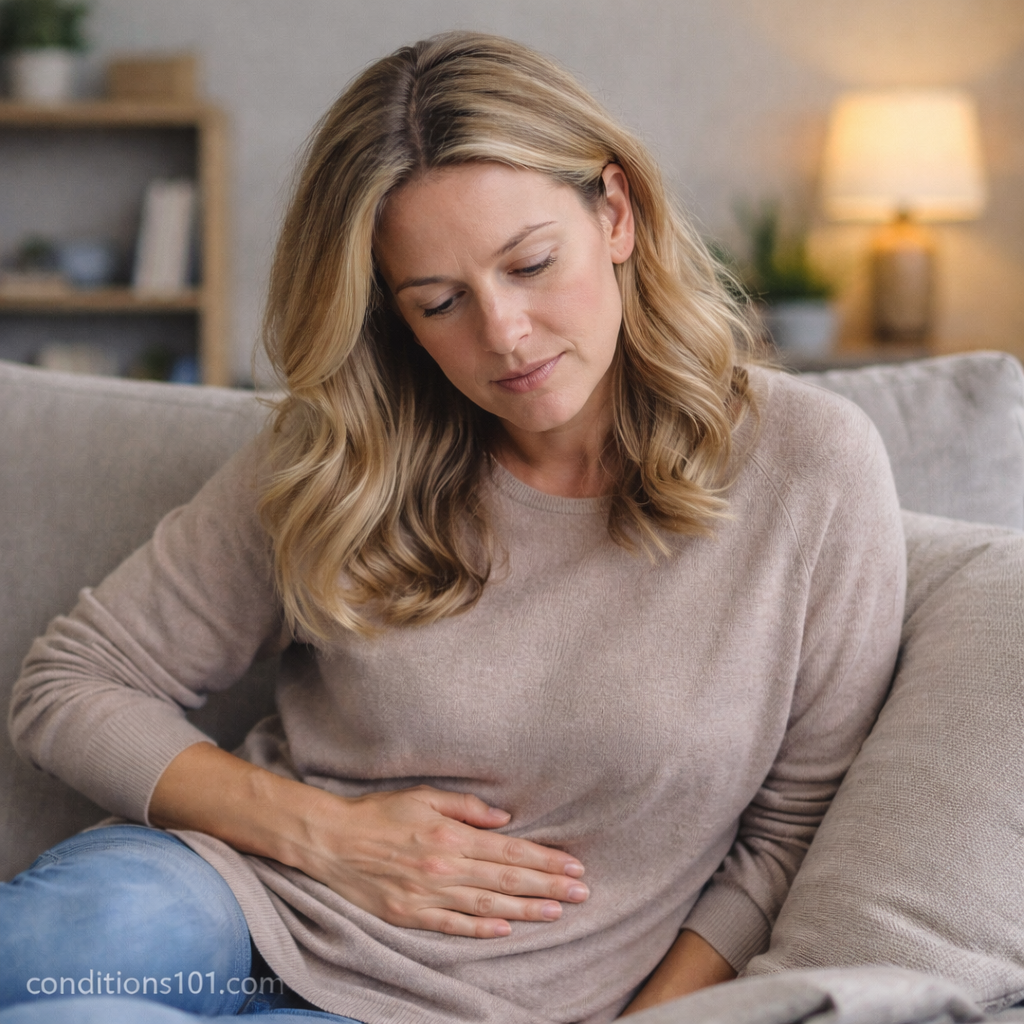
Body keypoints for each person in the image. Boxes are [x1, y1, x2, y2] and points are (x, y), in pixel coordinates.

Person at [1, 30, 905, 1024]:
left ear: (614, 211)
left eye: (530, 263)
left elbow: (787, 838)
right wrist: (326, 834)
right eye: (440, 304)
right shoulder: (354, 447)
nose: (503, 334)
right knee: (70, 950)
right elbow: (70, 682)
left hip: (482, 1002)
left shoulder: (811, 467)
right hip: (240, 883)